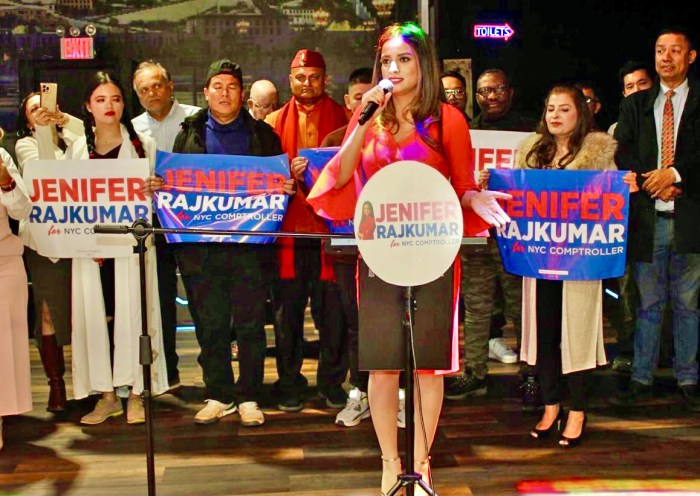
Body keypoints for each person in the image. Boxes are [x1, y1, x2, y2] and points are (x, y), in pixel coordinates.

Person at [306, 21, 510, 494]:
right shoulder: (369, 114)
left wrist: (475, 198)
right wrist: (363, 116)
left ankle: (421, 463)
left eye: (405, 60)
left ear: (424, 64)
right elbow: (339, 176)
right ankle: (388, 460)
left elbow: (461, 184)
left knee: (429, 364)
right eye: (387, 61)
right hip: (379, 254)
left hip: (434, 255)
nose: (394, 69)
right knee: (381, 363)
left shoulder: (448, 119)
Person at [156, 59, 294, 427]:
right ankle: (218, 393)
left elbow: (279, 191)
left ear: (242, 93)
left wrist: (285, 189)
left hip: (249, 248)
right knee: (210, 324)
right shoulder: (188, 132)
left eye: (231, 86)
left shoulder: (264, 136)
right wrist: (160, 186)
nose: (224, 93)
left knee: (250, 324)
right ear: (205, 92)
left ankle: (249, 395)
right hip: (201, 250)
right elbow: (175, 184)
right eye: (217, 86)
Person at [502, 85, 637, 448]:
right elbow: (515, 198)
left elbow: (610, 201)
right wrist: (494, 186)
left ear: (581, 113)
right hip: (539, 258)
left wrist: (626, 187)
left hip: (581, 261)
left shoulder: (598, 153)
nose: (556, 116)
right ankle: (550, 406)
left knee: (576, 336)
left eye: (564, 109)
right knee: (544, 334)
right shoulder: (529, 151)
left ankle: (577, 410)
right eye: (550, 109)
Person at [64, 71, 168, 425]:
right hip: (92, 252)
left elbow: (161, 202)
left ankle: (136, 393)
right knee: (96, 319)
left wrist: (156, 189)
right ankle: (106, 395)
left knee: (135, 316)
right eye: (100, 100)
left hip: (131, 249)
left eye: (116, 99)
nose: (109, 106)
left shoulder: (143, 146)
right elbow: (66, 204)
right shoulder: (76, 151)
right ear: (87, 107)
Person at [611, 27, 700, 412]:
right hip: (648, 214)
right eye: (660, 50)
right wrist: (655, 183)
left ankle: (688, 378)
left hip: (690, 216)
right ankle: (641, 377)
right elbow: (623, 150)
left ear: (690, 57)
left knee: (687, 304)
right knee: (647, 303)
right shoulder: (637, 103)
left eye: (675, 50)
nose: (666, 57)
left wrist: (676, 176)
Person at [265, 49, 349, 413]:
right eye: (300, 77)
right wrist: (286, 179)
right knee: (288, 315)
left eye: (314, 77)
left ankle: (331, 383)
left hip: (331, 231)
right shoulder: (270, 124)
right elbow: (262, 178)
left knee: (334, 314)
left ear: (325, 79)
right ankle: (289, 384)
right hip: (289, 232)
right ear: (290, 80)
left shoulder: (348, 120)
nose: (307, 83)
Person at [445, 68, 536, 405]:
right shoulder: (465, 131)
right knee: (477, 306)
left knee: (520, 308)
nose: (491, 96)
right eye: (483, 91)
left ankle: (530, 373)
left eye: (498, 89)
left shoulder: (530, 130)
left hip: (517, 233)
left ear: (510, 91)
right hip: (476, 233)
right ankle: (474, 372)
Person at [132, 60, 200, 389]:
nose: (151, 93)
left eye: (156, 85)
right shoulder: (130, 129)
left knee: (202, 298)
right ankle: (167, 374)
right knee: (160, 302)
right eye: (144, 89)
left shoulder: (197, 118)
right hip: (152, 225)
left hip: (192, 222)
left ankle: (213, 374)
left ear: (170, 85)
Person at [14, 92, 83, 413]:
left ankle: (93, 383)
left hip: (83, 235)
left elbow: (98, 139)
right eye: (34, 110)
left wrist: (62, 122)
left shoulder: (75, 136)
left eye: (46, 107)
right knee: (48, 311)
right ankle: (57, 384)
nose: (41, 112)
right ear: (27, 120)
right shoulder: (24, 145)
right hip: (45, 239)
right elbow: (46, 174)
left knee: (88, 310)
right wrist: (44, 132)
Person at [606, 60, 654, 373]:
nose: (636, 92)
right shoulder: (613, 133)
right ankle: (628, 347)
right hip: (625, 226)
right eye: (629, 87)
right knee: (625, 293)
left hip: (665, 218)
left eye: (642, 84)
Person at [0, 130, 33, 450]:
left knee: (4, 345)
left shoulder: (2, 157)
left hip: (4, 260)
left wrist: (5, 181)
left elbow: (22, 211)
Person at [321, 67, 373, 147]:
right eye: (359, 98)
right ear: (348, 101)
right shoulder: (334, 141)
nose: (365, 103)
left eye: (372, 97)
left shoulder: (394, 134)